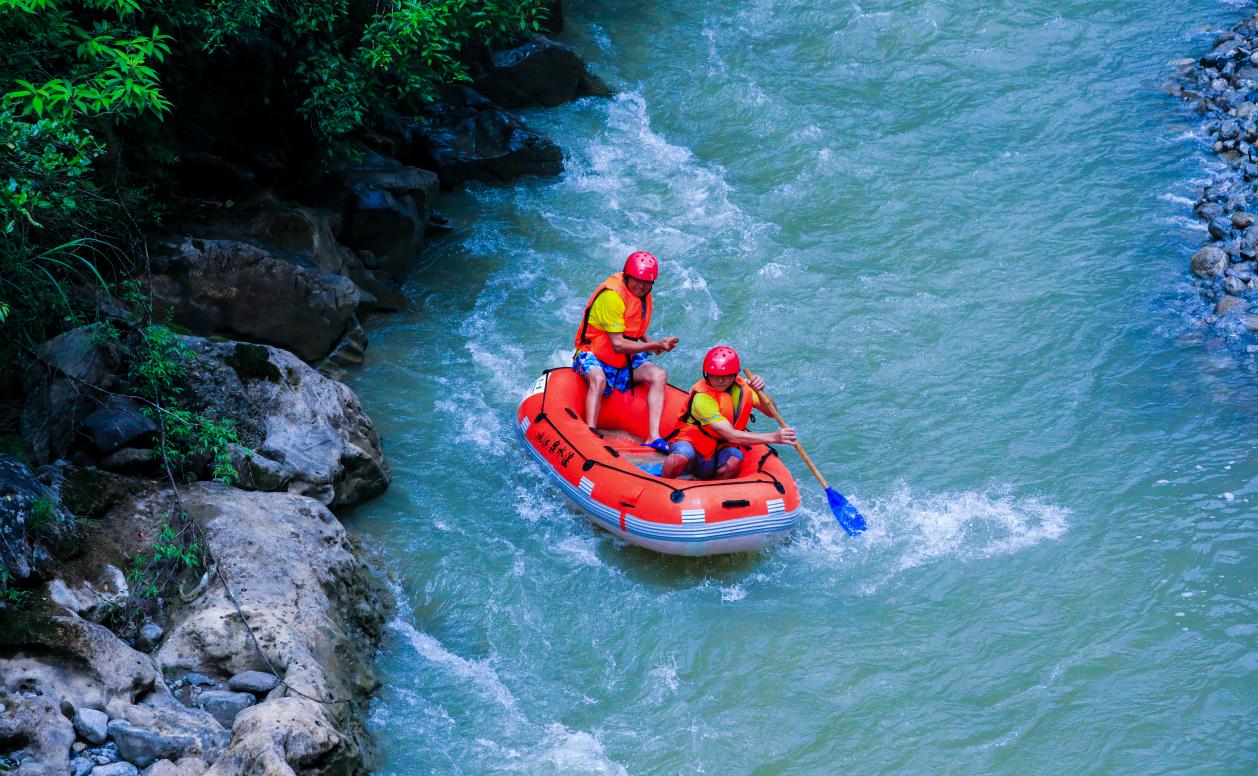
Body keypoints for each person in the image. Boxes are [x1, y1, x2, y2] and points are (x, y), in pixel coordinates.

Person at [573, 251, 679, 449]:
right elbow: (618, 344)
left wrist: (652, 343)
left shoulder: (643, 297)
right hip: (592, 352)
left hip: (621, 359)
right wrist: (654, 345)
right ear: (627, 276)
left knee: (659, 375)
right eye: (636, 280)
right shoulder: (612, 296)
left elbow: (633, 327)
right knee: (599, 379)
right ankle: (590, 433)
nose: (641, 286)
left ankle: (653, 437)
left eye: (646, 282)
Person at [661, 346, 796, 480]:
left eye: (725, 376)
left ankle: (713, 487)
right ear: (706, 374)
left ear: (734, 375)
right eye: (715, 376)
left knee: (734, 461)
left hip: (721, 448)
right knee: (679, 458)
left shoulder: (744, 387)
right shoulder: (701, 398)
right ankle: (665, 482)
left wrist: (760, 392)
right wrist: (773, 437)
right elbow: (731, 435)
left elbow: (771, 412)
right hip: (692, 446)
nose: (720, 380)